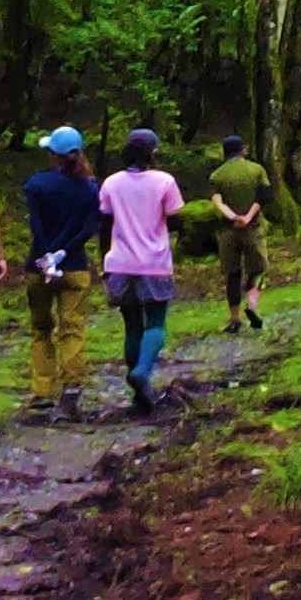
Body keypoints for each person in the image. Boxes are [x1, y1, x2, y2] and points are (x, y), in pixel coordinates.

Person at [97, 125, 187, 414]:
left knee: (132, 326)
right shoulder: (164, 181)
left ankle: (138, 396)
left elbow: (104, 225)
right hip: (154, 262)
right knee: (156, 324)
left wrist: (105, 262)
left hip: (120, 263)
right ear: (154, 152)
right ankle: (143, 372)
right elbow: (175, 221)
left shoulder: (111, 183)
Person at [21, 126, 102, 420]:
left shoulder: (36, 185)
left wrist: (47, 255)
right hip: (75, 268)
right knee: (73, 328)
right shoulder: (90, 188)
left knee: (42, 328)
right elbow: (89, 228)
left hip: (38, 268)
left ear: (53, 155)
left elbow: (37, 226)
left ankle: (42, 389)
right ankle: (71, 387)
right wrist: (64, 252)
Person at [207, 133, 269, 330]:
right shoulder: (257, 170)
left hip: (228, 231)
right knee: (258, 268)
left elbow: (217, 201)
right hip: (252, 228)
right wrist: (247, 217)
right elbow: (264, 197)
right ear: (244, 150)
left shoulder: (217, 175)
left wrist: (233, 217)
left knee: (232, 274)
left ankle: (234, 318)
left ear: (224, 153)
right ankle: (252, 304)